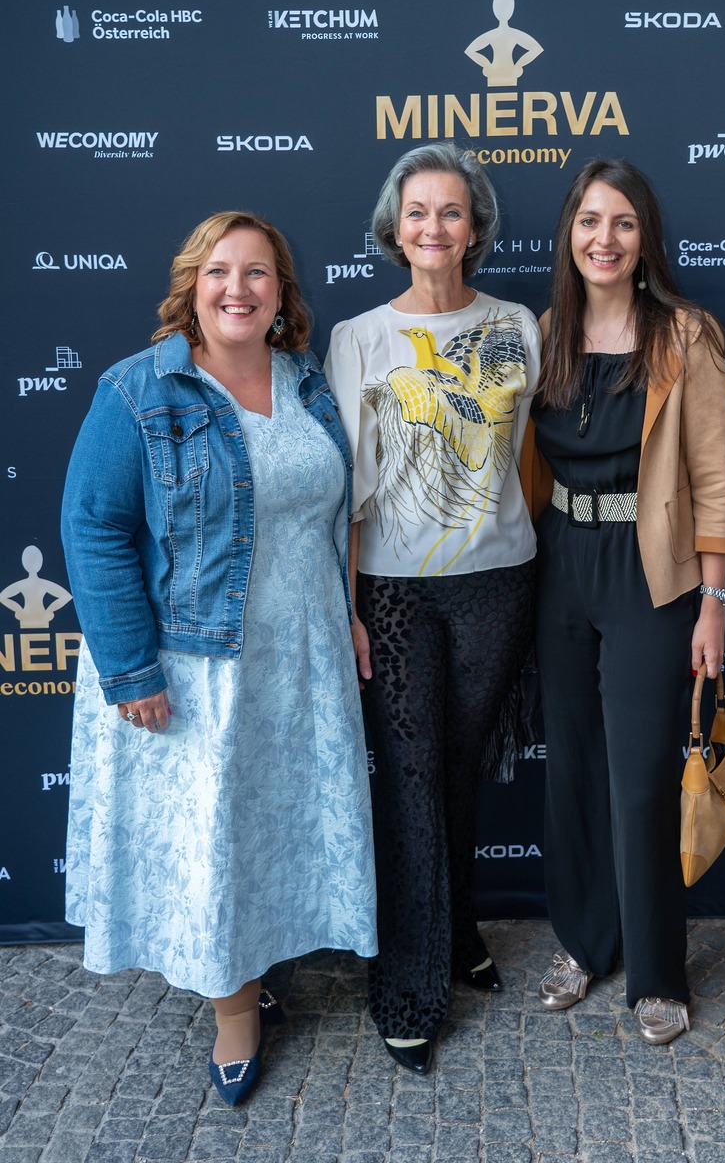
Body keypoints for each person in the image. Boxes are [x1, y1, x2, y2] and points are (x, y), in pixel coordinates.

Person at [61, 212, 377, 1106]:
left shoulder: (308, 381)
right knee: (217, 836)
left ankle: (261, 961)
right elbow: (93, 527)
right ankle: (235, 1011)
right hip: (200, 667)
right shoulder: (140, 389)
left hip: (302, 658)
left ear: (282, 293)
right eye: (219, 272)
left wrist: (348, 613)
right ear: (191, 287)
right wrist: (132, 669)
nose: (238, 289)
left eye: (258, 273)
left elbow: (332, 514)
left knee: (271, 828)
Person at [326, 143, 540, 1073]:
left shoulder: (516, 325)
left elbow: (526, 455)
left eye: (451, 211)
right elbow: (345, 493)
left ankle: (455, 934)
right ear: (394, 226)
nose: (434, 228)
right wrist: (350, 608)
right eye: (418, 211)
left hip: (500, 579)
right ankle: (408, 984)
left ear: (476, 227)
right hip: (395, 590)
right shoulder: (359, 338)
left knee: (455, 774)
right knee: (409, 780)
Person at [528, 159, 725, 1043]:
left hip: (650, 571)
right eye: (588, 221)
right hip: (562, 562)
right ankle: (586, 942)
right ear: (569, 234)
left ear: (644, 237)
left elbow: (715, 478)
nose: (603, 239)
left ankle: (656, 973)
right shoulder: (545, 333)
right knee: (573, 766)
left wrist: (713, 601)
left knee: (641, 776)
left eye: (621, 222)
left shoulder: (685, 334)